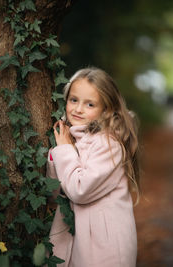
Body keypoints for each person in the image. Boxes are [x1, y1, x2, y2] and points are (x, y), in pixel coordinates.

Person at [47, 67, 140, 267]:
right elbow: (55, 194)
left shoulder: (109, 145)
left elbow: (80, 190)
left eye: (90, 104)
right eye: (73, 100)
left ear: (106, 109)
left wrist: (64, 151)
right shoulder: (70, 139)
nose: (78, 109)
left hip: (103, 248)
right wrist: (60, 152)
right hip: (74, 241)